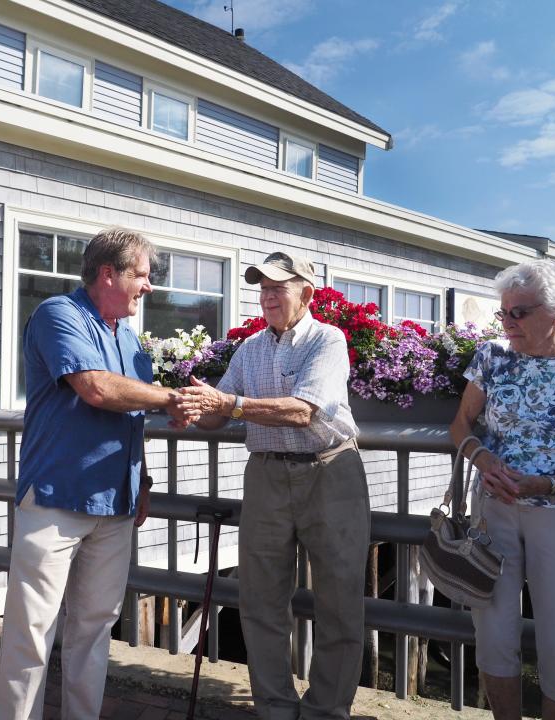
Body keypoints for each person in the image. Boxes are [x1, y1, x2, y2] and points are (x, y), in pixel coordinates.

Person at [0, 227, 200, 719]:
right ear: (109, 273)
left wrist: (143, 481)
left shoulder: (129, 339)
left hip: (116, 503)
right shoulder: (57, 314)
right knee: (32, 632)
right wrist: (174, 397)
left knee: (94, 628)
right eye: (141, 276)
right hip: (55, 499)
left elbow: (132, 420)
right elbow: (97, 390)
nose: (148, 286)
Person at [181, 251, 370, 720]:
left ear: (306, 293)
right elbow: (217, 413)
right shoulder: (250, 349)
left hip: (331, 471)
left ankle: (326, 711)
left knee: (339, 600)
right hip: (265, 472)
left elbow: (304, 410)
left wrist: (228, 402)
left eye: (277, 288)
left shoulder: (329, 339)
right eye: (262, 288)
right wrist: (190, 403)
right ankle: (276, 709)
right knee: (260, 599)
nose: (266, 296)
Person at [449, 259, 555, 720]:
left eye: (519, 312)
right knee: (493, 633)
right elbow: (460, 424)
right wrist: (482, 457)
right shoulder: (492, 357)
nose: (507, 322)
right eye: (504, 312)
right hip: (495, 510)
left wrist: (548, 483)